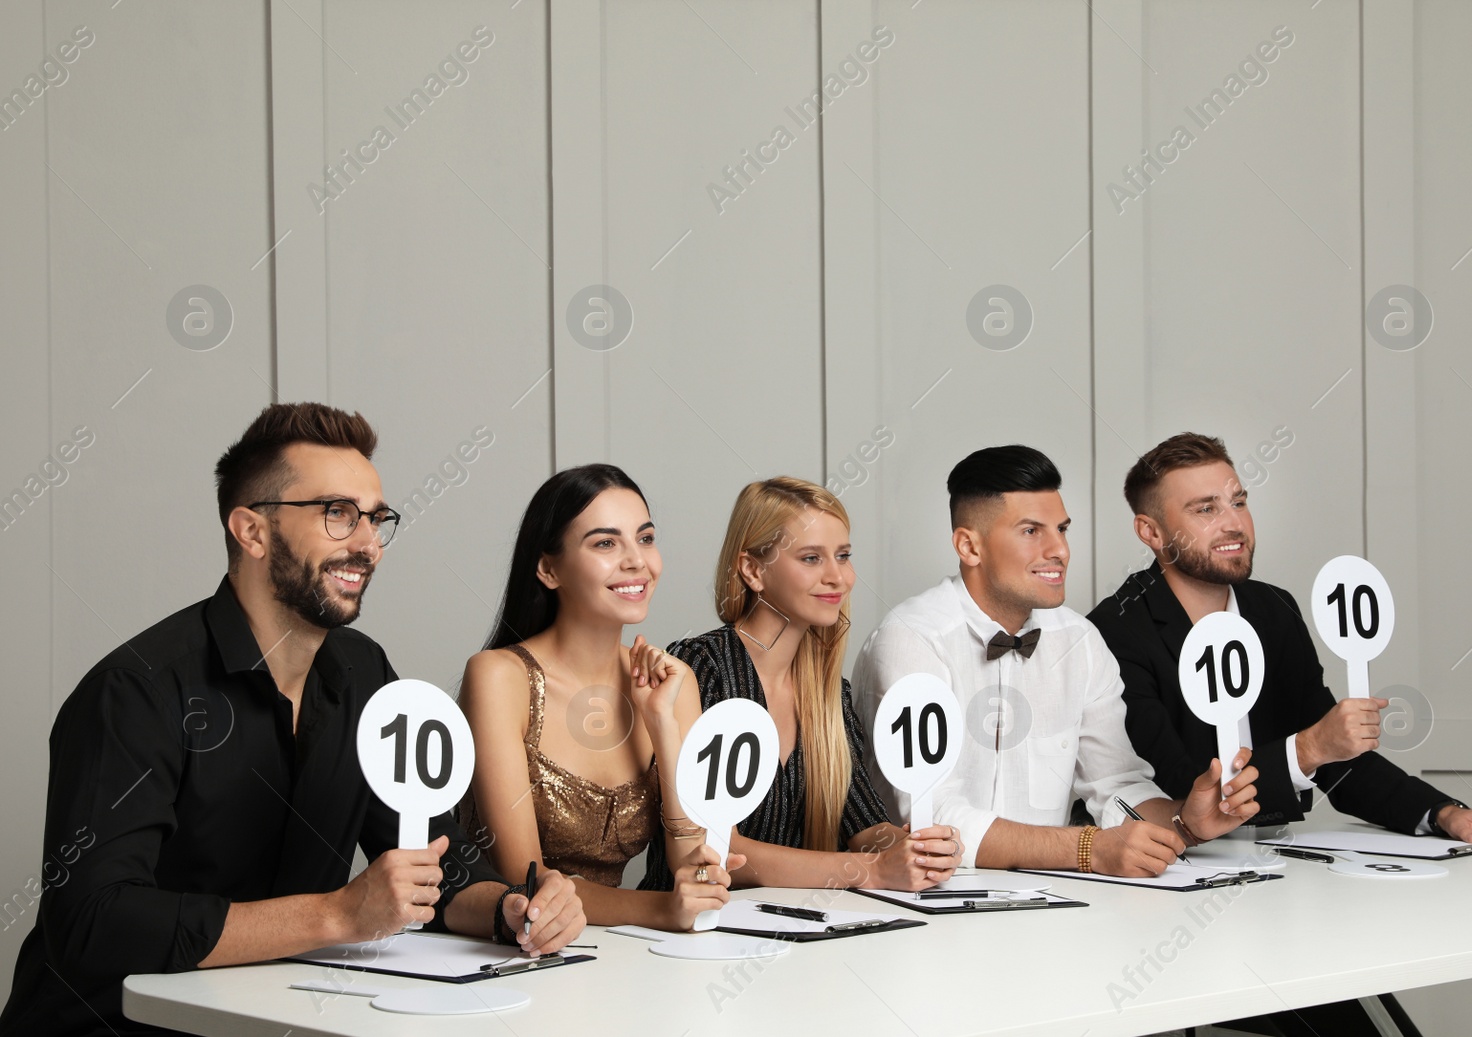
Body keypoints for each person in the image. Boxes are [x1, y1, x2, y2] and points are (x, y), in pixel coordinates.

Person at [0, 403, 583, 1037]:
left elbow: (433, 867)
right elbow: (94, 924)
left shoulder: (363, 673)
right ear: (252, 532)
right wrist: (337, 915)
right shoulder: (134, 692)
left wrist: (513, 909)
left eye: (375, 519)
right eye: (337, 514)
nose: (367, 544)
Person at [1088, 431, 1472, 845]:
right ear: (1151, 531)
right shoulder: (1113, 631)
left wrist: (1446, 814)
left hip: (1278, 863)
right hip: (1165, 870)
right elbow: (1184, 787)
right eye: (1206, 509)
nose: (1234, 524)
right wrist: (1309, 747)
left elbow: (1338, 760)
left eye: (1239, 502)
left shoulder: (1274, 609)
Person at [853, 445, 1260, 877]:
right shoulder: (911, 639)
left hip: (1053, 906)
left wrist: (1185, 821)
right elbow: (930, 813)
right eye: (1031, 531)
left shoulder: (1080, 641)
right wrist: (1087, 849)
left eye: (1061, 529)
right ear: (969, 546)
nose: (1060, 550)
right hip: (924, 905)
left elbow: (1115, 785)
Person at [642, 477, 962, 893]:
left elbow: (864, 828)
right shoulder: (699, 667)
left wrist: (921, 848)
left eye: (843, 556)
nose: (838, 577)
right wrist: (876, 871)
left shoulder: (831, 692)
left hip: (792, 934)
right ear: (753, 570)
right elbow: (719, 851)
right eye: (811, 558)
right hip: (690, 933)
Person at [456, 464, 741, 930]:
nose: (637, 561)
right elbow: (525, 879)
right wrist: (664, 910)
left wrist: (664, 729)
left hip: (613, 954)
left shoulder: (673, 684)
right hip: (505, 953)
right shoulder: (499, 677)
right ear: (549, 569)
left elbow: (693, 864)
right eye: (606, 543)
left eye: (645, 538)